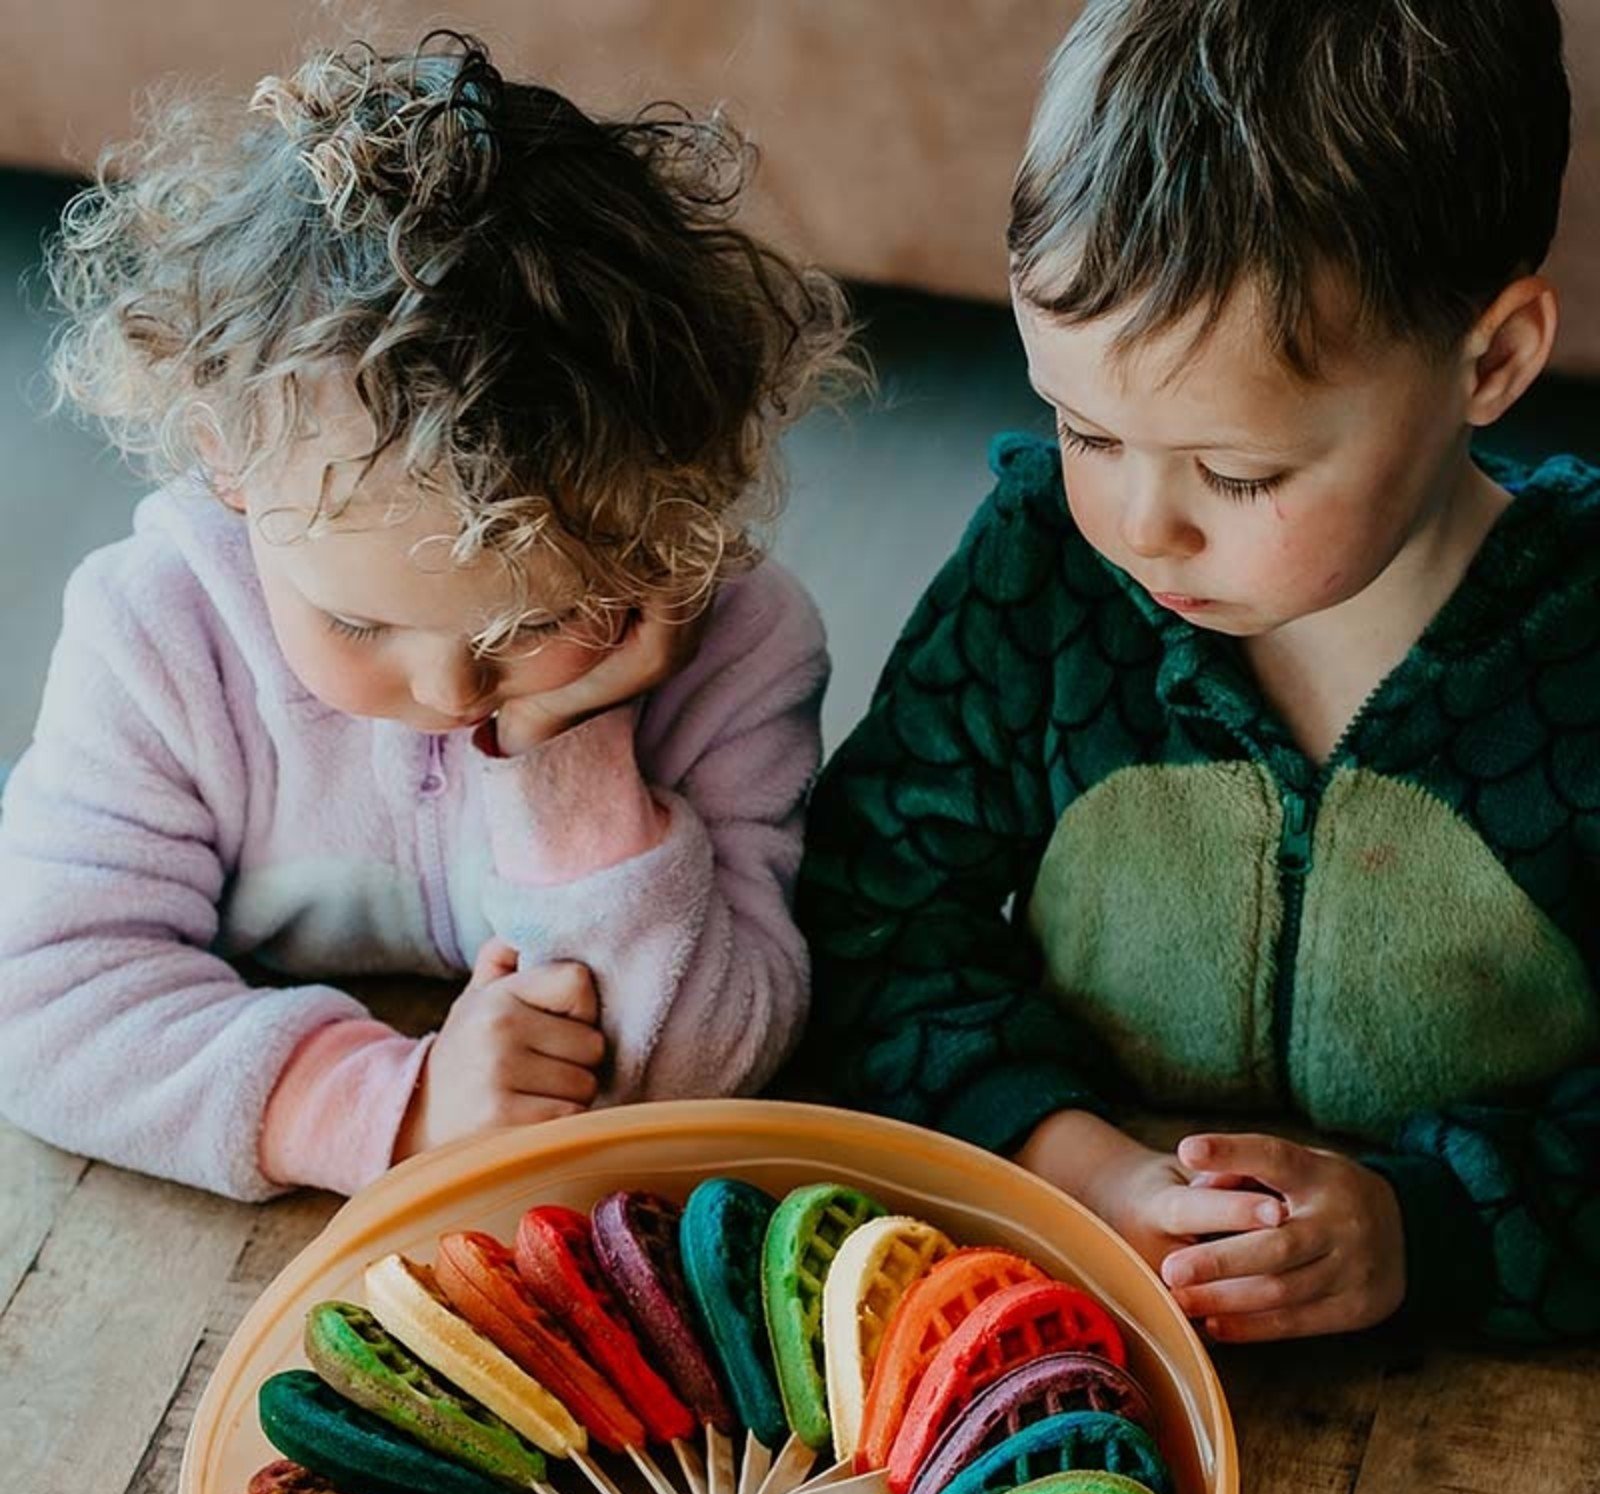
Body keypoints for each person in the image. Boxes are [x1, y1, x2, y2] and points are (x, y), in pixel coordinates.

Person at [796, 0, 1598, 1344]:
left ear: (1494, 360)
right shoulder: (1041, 575)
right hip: (1065, 1292)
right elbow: (866, 933)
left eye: (1240, 473)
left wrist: (1431, 1226)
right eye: (1081, 427)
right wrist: (1079, 1169)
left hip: (1495, 1383)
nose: (1139, 527)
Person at [0, 32, 857, 1201]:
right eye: (358, 624)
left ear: (674, 518)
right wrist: (383, 1107)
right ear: (224, 460)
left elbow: (708, 1061)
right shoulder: (157, 633)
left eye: (527, 626)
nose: (454, 695)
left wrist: (568, 745)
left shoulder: (738, 648)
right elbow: (40, 994)